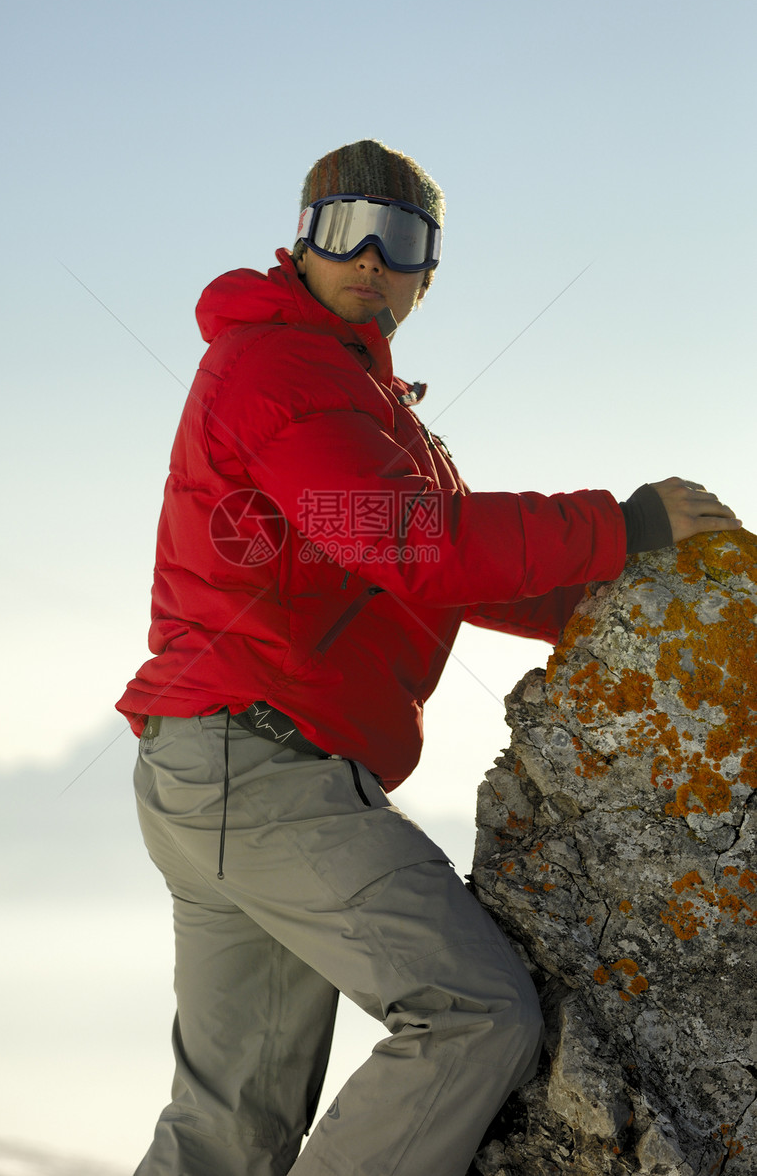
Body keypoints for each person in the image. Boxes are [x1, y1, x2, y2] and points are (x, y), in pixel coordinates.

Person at [116, 139, 740, 1176]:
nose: (365, 252)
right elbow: (408, 538)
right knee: (474, 1013)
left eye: (395, 235)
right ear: (299, 240)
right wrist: (618, 524)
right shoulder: (278, 366)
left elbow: (437, 566)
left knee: (227, 1128)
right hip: (259, 764)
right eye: (339, 224)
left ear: (424, 273)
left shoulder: (363, 405)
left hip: (217, 769)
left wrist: (642, 599)